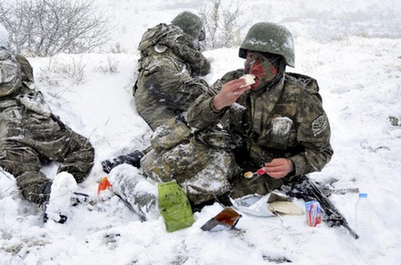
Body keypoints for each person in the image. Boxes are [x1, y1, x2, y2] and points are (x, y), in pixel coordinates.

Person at [107, 22, 333, 221]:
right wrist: (217, 102)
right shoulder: (231, 80)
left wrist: (292, 165)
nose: (252, 68)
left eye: (262, 61)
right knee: (167, 163)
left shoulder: (302, 101)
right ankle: (132, 172)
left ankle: (160, 205)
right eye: (249, 58)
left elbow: (321, 152)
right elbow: (193, 119)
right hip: (230, 152)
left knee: (202, 192)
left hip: (265, 172)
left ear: (280, 65)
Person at [0, 24, 95, 222]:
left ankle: (47, 192)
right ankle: (65, 182)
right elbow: (28, 80)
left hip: (3, 130)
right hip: (35, 119)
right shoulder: (18, 61)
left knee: (26, 172)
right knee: (81, 149)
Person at [133, 11, 211, 131]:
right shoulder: (178, 38)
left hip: (147, 93)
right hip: (171, 84)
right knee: (213, 99)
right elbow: (203, 67)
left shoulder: (157, 36)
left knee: (170, 135)